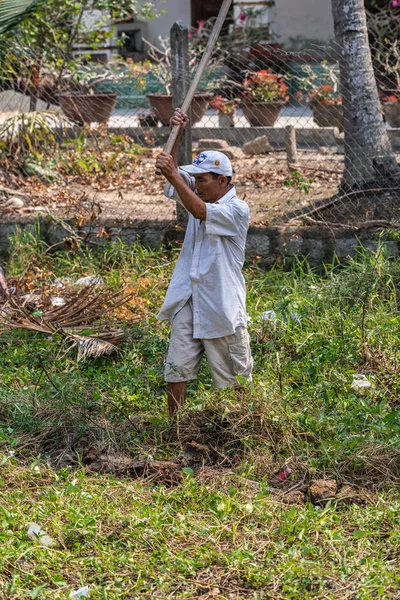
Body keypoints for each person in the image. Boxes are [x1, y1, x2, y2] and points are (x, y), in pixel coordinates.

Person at [155, 108, 253, 416]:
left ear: (223, 180)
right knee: (176, 367)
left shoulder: (236, 209)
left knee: (233, 377)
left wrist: (173, 172)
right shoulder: (202, 195)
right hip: (190, 297)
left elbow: (196, 208)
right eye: (194, 179)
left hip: (221, 305)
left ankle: (241, 428)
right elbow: (169, 174)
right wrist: (176, 133)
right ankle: (174, 427)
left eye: (203, 180)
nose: (197, 185)